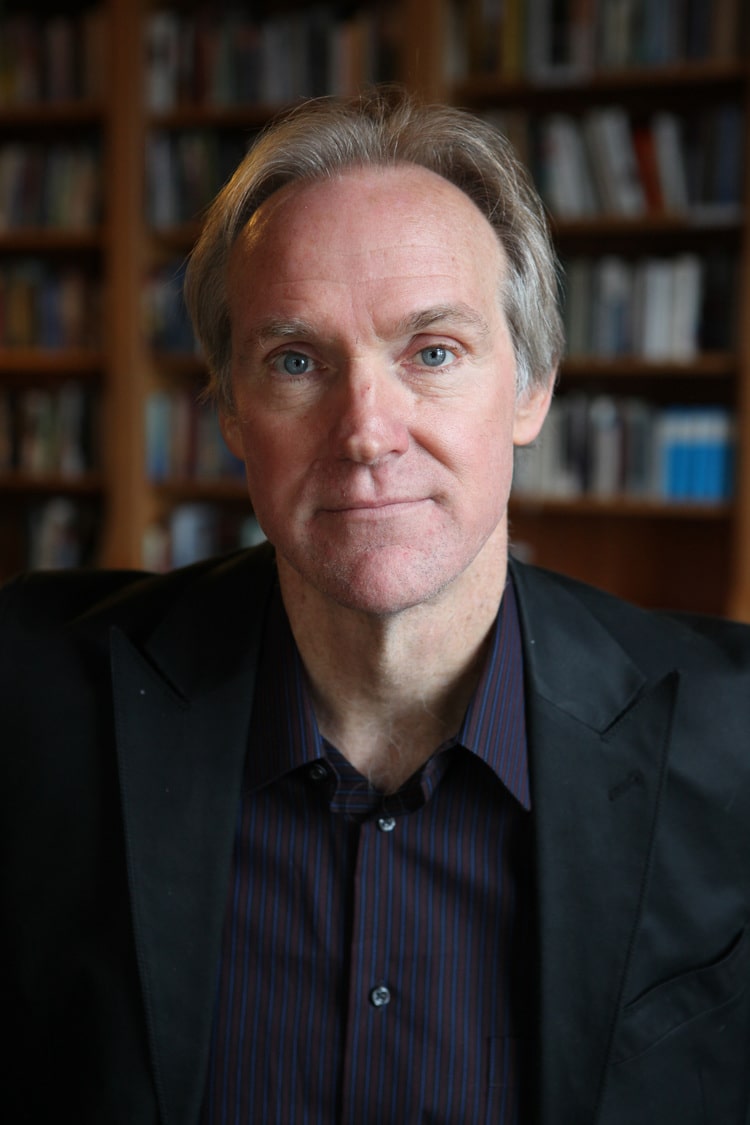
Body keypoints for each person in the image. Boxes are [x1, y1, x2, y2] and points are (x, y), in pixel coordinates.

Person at [2, 88, 749, 1125]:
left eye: (432, 352)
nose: (366, 431)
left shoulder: (735, 737)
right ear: (228, 412)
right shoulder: (34, 705)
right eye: (297, 361)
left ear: (531, 390)